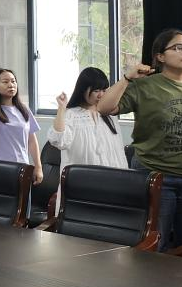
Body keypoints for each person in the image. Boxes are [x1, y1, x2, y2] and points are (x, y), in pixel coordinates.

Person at [99, 29, 182, 251]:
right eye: (179, 47)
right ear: (160, 56)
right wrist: (127, 78)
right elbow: (104, 107)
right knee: (153, 245)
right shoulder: (144, 85)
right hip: (155, 175)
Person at [49, 67, 127, 207]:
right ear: (83, 89)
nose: (101, 95)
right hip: (81, 184)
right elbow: (59, 140)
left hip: (111, 184)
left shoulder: (109, 115)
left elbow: (118, 153)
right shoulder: (71, 115)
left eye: (104, 90)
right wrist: (61, 108)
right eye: (96, 90)